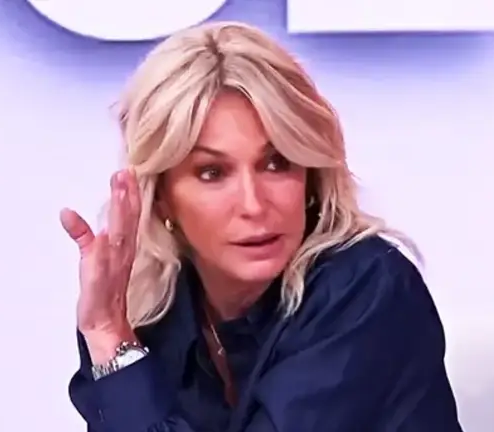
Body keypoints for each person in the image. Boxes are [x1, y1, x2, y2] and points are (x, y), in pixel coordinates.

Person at [59, 21, 463, 432]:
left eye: (276, 163)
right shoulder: (143, 306)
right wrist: (109, 332)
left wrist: (112, 343)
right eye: (212, 172)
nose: (253, 205)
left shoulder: (367, 289)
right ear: (160, 194)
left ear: (310, 175)